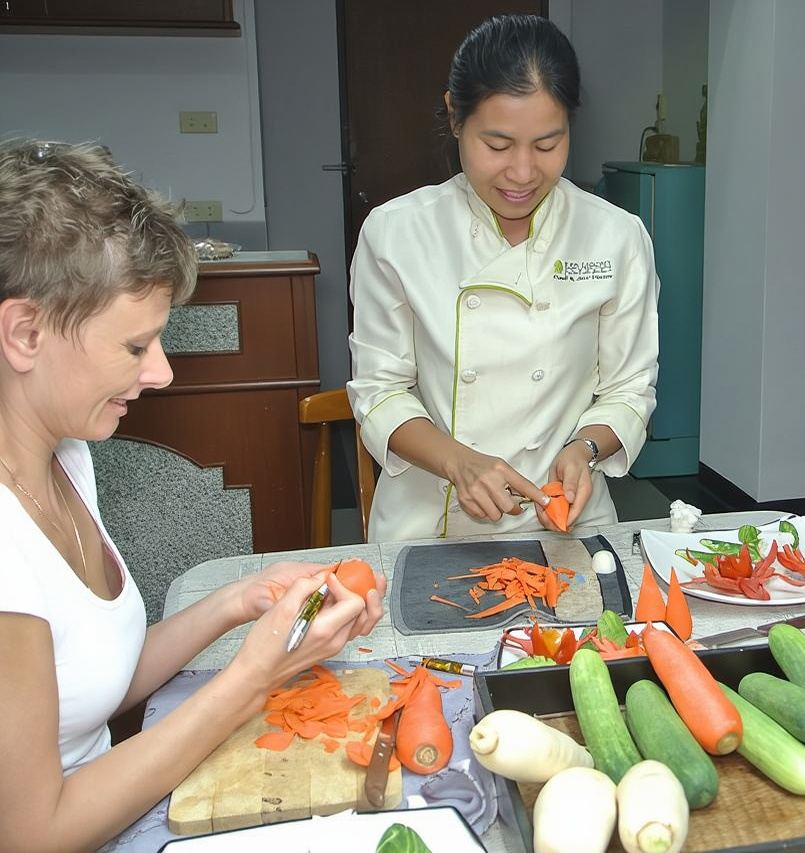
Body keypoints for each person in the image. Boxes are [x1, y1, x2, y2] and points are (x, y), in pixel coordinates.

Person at [0, 140, 385, 851]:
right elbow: (33, 831)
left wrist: (240, 598)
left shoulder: (66, 455)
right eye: (135, 346)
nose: (163, 372)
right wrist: (252, 676)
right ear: (25, 332)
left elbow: (92, 682)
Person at [347, 14, 660, 542]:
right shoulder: (396, 233)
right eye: (497, 145)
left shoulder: (616, 236)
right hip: (429, 527)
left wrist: (584, 450)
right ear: (454, 117)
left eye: (546, 145)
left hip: (568, 523)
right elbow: (380, 393)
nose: (522, 173)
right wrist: (459, 462)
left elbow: (628, 390)